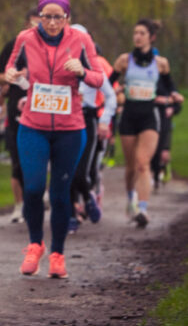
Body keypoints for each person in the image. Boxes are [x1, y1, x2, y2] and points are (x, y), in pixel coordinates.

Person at [5, 0, 103, 278]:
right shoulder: (25, 38)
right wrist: (13, 75)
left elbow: (99, 78)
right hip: (32, 126)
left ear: (67, 18)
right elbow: (11, 66)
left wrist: (82, 72)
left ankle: (58, 255)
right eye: (46, 17)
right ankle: (35, 245)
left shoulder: (81, 40)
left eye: (57, 17)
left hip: (70, 130)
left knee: (60, 193)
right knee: (33, 189)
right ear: (38, 16)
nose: (51, 23)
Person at [108, 19, 179, 228]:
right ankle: (131, 200)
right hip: (129, 115)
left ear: (151, 37)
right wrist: (116, 90)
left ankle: (143, 208)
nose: (137, 37)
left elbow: (170, 87)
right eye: (135, 33)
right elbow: (108, 83)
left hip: (150, 115)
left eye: (142, 33)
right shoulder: (124, 60)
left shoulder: (161, 63)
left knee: (142, 163)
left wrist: (173, 97)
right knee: (131, 166)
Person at [67, 24, 116, 232]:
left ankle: (87, 198)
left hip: (87, 119)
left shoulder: (94, 69)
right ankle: (70, 215)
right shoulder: (59, 63)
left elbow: (111, 96)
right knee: (64, 171)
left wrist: (104, 120)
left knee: (80, 172)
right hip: (62, 121)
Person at [0, 9, 41, 223]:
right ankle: (18, 206)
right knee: (17, 160)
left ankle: (36, 201)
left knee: (37, 159)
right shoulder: (14, 45)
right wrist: (11, 77)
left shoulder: (52, 48)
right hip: (16, 110)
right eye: (32, 23)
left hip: (42, 110)